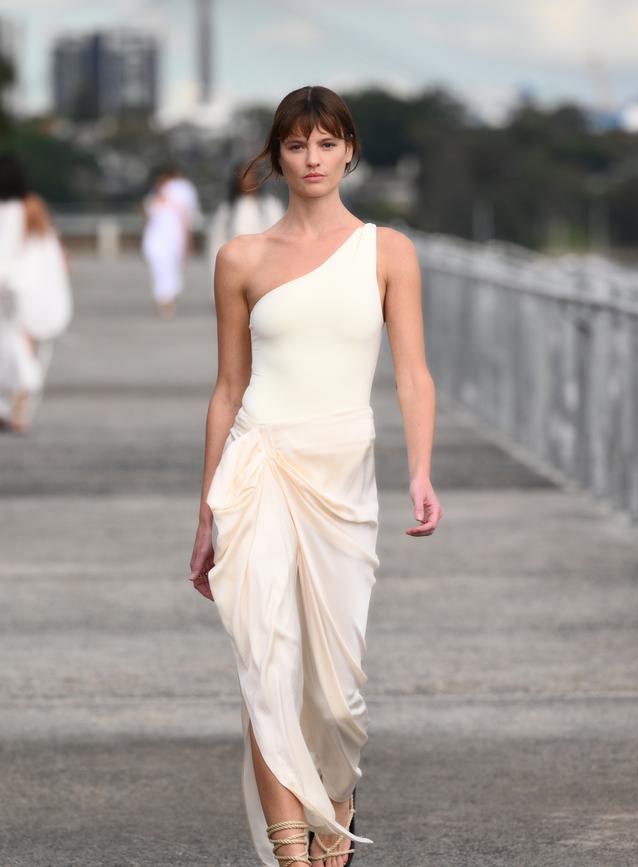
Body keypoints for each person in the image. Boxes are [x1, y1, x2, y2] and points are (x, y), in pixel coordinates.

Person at [188, 85, 441, 867]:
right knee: (268, 662)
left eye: (326, 143)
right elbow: (228, 386)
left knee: (333, 690)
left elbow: (412, 376)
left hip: (343, 474)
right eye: (297, 145)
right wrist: (205, 514)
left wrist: (422, 472)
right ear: (277, 156)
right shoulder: (241, 258)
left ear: (349, 151)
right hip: (258, 465)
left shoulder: (388, 250)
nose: (312, 159)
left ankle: (336, 806)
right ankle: (291, 845)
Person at [0, 152, 72, 433]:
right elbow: (48, 249)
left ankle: (17, 397)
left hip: (11, 288)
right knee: (21, 341)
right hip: (33, 287)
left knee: (12, 343)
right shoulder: (32, 206)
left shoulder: (11, 211)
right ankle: (20, 404)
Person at [141, 165, 201, 319]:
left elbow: (187, 217)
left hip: (175, 238)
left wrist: (188, 241)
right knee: (160, 268)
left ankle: (168, 299)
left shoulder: (182, 190)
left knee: (173, 269)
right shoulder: (153, 196)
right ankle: (164, 301)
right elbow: (148, 218)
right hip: (155, 239)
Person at [209, 160, 285, 264]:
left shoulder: (270, 206)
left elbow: (281, 238)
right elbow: (217, 243)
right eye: (244, 176)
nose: (248, 179)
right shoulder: (228, 210)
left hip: (266, 266)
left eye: (251, 175)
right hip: (236, 267)